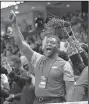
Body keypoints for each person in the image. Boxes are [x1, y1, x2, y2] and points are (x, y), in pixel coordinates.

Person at [8, 10, 74, 104]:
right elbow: (21, 44)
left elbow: (70, 90)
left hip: (55, 102)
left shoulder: (65, 65)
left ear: (58, 47)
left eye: (52, 42)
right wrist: (14, 25)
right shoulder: (38, 59)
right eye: (47, 42)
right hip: (37, 101)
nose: (49, 44)